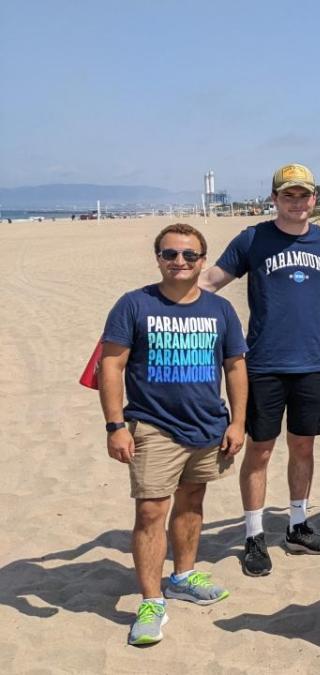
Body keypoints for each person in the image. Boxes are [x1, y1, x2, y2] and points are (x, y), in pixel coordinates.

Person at [201, 163, 320, 576]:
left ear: (314, 200)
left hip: (313, 363)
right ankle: (255, 535)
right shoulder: (253, 239)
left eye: (304, 195)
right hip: (262, 364)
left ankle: (297, 525)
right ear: (274, 199)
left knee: (303, 446)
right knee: (259, 449)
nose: (297, 203)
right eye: (288, 195)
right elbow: (210, 282)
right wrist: (162, 299)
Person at [99, 223, 248, 645]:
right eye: (170, 254)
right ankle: (150, 600)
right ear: (158, 258)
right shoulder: (134, 304)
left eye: (188, 255)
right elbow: (111, 366)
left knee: (193, 500)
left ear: (202, 261)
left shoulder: (220, 311)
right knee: (150, 511)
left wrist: (237, 422)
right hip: (152, 424)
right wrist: (115, 426)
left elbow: (235, 366)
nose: (179, 262)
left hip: (207, 424)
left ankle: (182, 575)